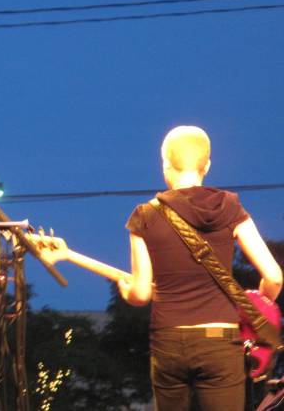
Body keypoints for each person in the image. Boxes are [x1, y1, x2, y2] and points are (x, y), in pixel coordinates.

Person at [118, 125, 282, 410]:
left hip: (169, 339)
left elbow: (142, 294)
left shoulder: (144, 216)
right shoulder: (231, 209)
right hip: (220, 340)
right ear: (207, 164)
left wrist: (127, 291)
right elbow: (274, 276)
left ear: (165, 164)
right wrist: (257, 304)